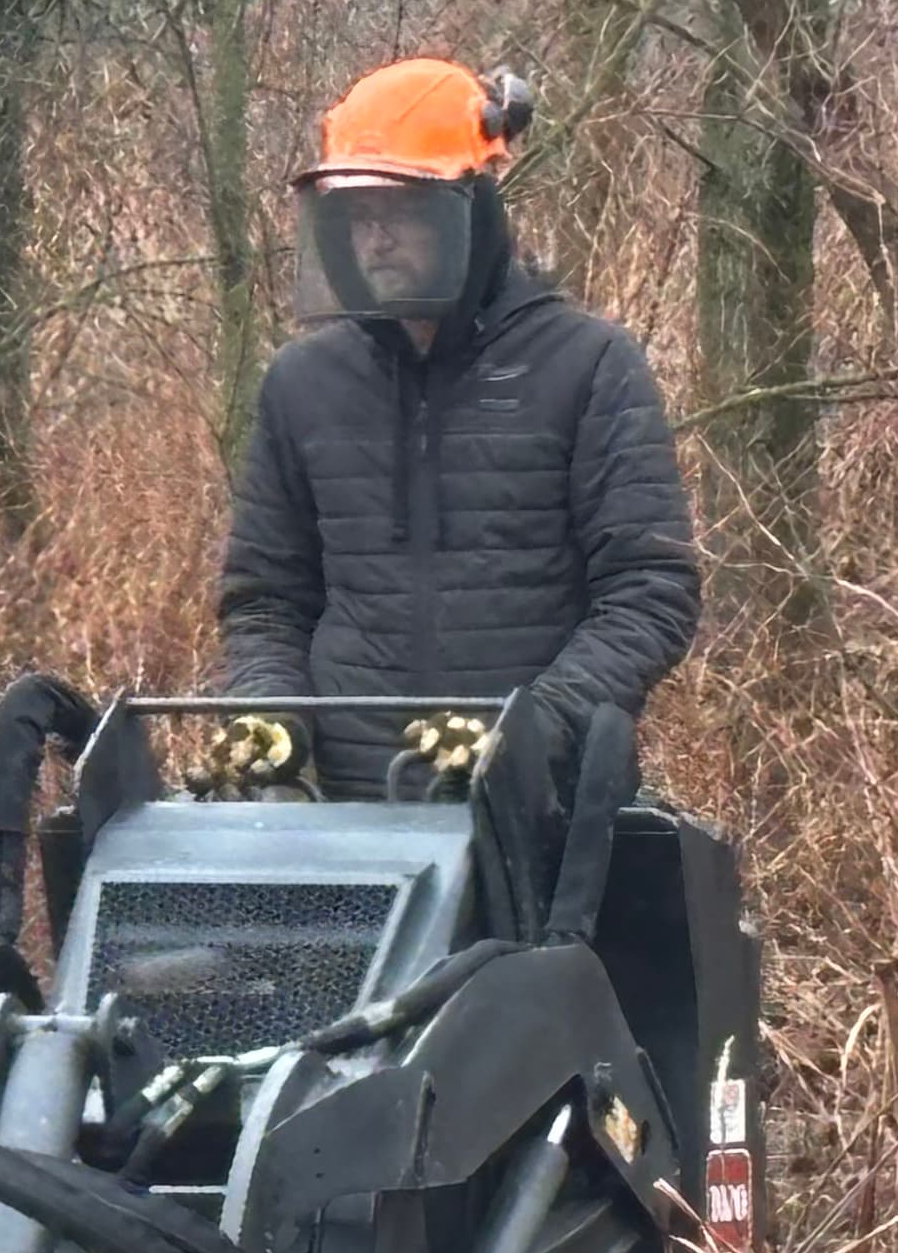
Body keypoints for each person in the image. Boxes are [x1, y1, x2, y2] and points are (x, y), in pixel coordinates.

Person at [216, 57, 701, 797]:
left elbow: (650, 589)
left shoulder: (588, 364)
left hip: (542, 810)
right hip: (345, 810)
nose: (375, 240)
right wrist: (269, 715)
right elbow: (267, 598)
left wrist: (535, 727)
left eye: (402, 212)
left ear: (469, 209)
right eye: (357, 216)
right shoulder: (303, 384)